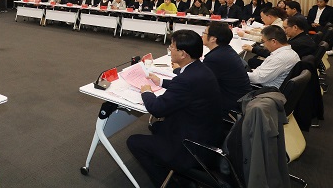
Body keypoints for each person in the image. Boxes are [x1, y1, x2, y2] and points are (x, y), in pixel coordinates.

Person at [127, 30, 221, 187]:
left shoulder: (186, 79)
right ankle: (177, 173)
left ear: (183, 54)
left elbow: (157, 109)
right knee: (157, 126)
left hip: (191, 147)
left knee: (134, 141)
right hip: (208, 134)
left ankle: (172, 184)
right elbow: (186, 87)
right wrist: (161, 82)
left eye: (172, 47)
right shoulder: (200, 68)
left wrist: (147, 92)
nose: (170, 50)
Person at [202, 22, 252, 115]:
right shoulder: (226, 50)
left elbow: (200, 83)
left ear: (213, 39)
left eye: (204, 33)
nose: (202, 36)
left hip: (230, 103)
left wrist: (180, 69)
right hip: (241, 98)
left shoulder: (214, 58)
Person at [244, 16, 316, 67]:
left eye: (285, 28)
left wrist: (253, 49)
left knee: (253, 61)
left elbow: (274, 53)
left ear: (295, 27)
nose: (284, 30)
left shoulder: (298, 43)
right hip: (289, 64)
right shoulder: (303, 37)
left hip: (285, 66)